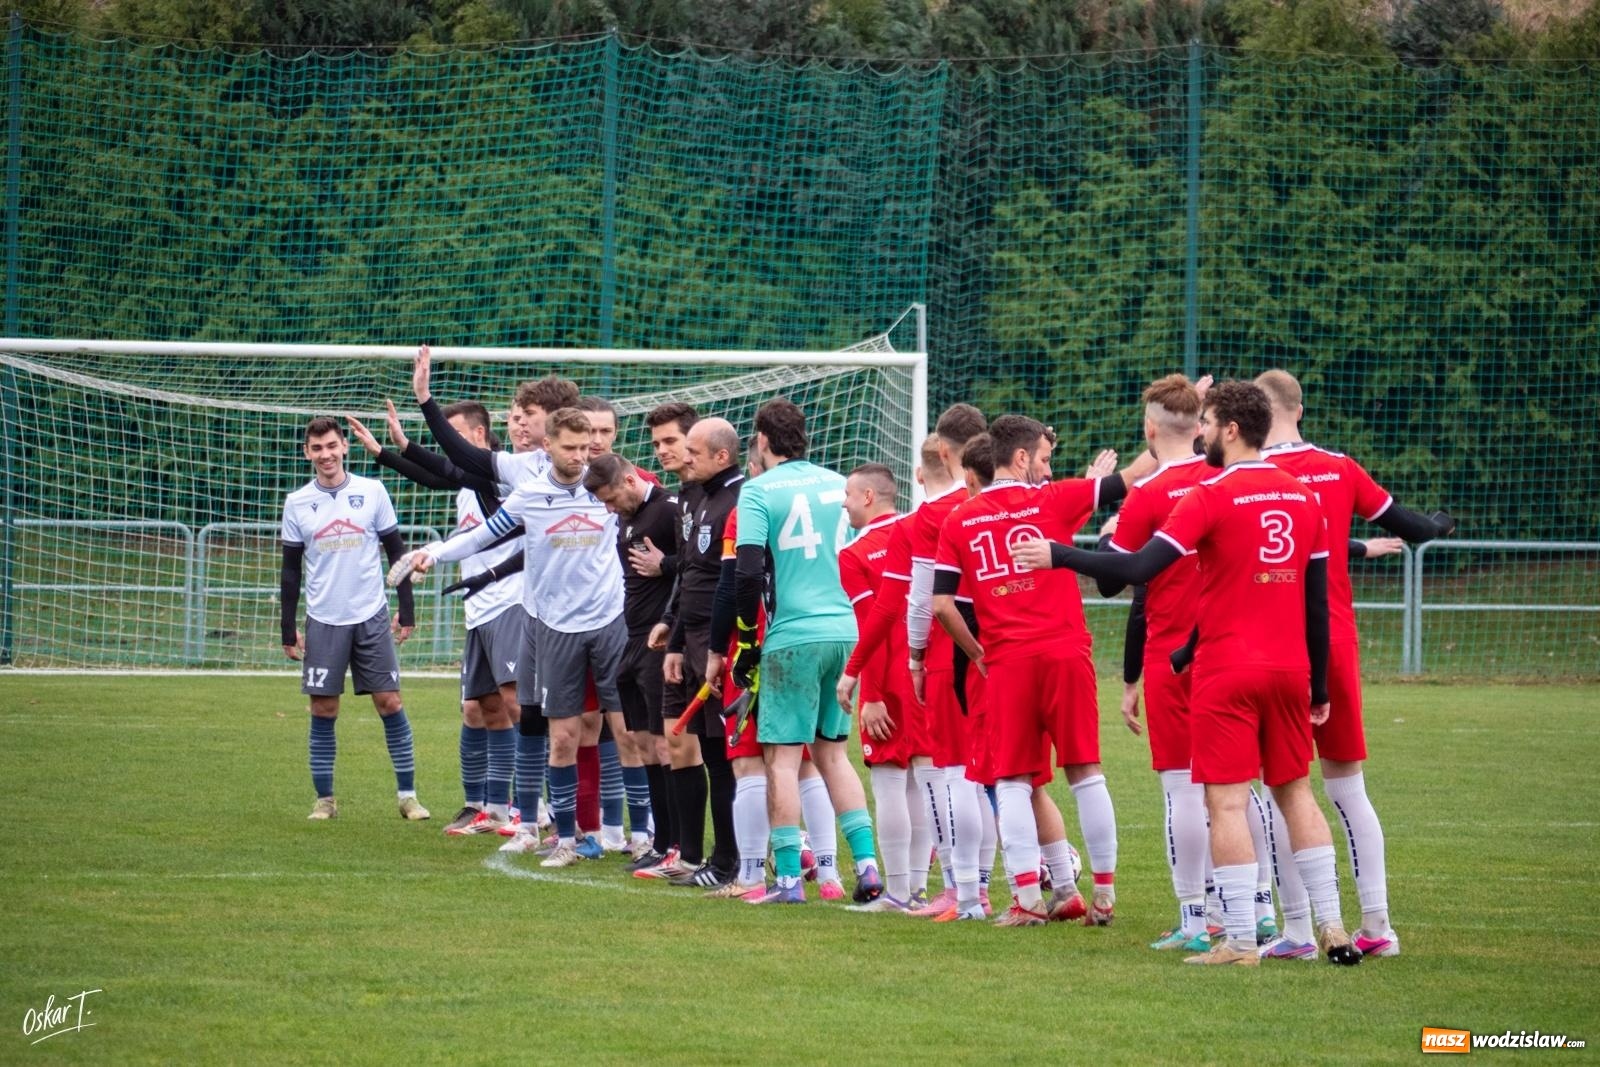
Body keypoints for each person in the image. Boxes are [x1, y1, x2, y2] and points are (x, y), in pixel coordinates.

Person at [1019, 380, 1362, 965]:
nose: (1200, 433)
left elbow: (1137, 568)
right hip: (1290, 669)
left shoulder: (1209, 496)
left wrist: (1061, 554)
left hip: (1226, 671)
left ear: (1231, 429)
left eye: (1207, 423)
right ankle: (1331, 926)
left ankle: (1239, 940)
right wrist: (1321, 686)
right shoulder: (1304, 497)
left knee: (1224, 803)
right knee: (1296, 793)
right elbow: (1314, 601)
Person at [1256, 368, 1454, 959]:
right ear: (1300, 409)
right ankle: (1378, 926)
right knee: (1348, 789)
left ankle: (1297, 931)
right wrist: (1440, 523)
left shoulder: (1248, 476)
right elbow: (1411, 527)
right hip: (1335, 640)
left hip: (1273, 645)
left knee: (1283, 788)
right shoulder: (1339, 467)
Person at [405, 408, 627, 868]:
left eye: (585, 447)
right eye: (570, 448)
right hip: (550, 626)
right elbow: (482, 536)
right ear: (548, 446)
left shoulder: (609, 490)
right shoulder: (530, 495)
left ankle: (639, 836)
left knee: (629, 732)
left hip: (609, 623)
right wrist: (434, 552)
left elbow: (656, 515)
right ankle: (558, 834)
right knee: (557, 734)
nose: (580, 456)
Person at [930, 416, 1124, 926]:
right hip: (1067, 653)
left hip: (1007, 661)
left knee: (1012, 780)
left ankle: (1028, 901)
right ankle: (1103, 896)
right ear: (1021, 457)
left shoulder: (960, 519)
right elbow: (1136, 475)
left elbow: (942, 605)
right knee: (1086, 772)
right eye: (1043, 456)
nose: (1047, 467)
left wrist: (975, 652)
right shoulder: (1052, 500)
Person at [1092, 375, 1226, 950]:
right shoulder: (1225, 477)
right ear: (1201, 426)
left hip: (1172, 654)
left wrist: (1106, 531)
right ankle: (1253, 909)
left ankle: (1195, 919)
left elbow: (1111, 581)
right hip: (1229, 645)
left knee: (1182, 789)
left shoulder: (1148, 495)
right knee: (1238, 786)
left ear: (1148, 429)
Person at [348, 401, 522, 836]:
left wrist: (405, 445)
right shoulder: (467, 482)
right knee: (477, 708)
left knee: (514, 707)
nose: (448, 446)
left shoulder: (501, 477)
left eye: (455, 435)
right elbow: (435, 476)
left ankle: (526, 806)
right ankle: (481, 806)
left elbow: (447, 473)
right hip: (478, 607)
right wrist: (387, 451)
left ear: (479, 436)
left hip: (510, 600)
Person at [839, 408, 988, 918]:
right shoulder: (981, 508)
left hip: (911, 670)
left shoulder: (884, 541)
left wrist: (868, 687)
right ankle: (987, 884)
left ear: (923, 471)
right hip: (982, 656)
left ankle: (912, 890)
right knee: (969, 779)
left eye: (847, 495)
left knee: (907, 784)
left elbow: (886, 616)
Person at [734, 398, 881, 905]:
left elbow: (747, 571)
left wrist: (746, 642)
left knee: (781, 758)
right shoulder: (839, 483)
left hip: (793, 635)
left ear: (762, 441)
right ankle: (867, 865)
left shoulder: (757, 490)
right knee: (832, 755)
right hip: (846, 630)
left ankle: (789, 883)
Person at [280, 416, 425, 822]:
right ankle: (325, 800)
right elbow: (290, 571)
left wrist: (407, 607)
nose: (325, 454)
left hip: (371, 616)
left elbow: (397, 553)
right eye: (317, 448)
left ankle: (408, 797)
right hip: (324, 620)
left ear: (344, 446)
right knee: (323, 709)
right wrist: (287, 628)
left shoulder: (372, 491)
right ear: (307, 453)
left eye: (332, 445)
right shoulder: (297, 503)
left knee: (390, 702)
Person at [653, 416, 746, 889]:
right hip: (692, 643)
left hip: (721, 646)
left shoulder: (741, 500)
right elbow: (689, 573)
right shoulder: (698, 496)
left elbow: (736, 582)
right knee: (711, 752)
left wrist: (723, 646)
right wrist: (674, 639)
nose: (684, 458)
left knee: (731, 758)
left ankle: (734, 861)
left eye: (692, 450)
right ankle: (721, 857)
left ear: (721, 456)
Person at [837, 462, 930, 912]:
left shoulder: (855, 554)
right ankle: (921, 889)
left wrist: (871, 694)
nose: (844, 504)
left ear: (869, 497)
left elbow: (871, 624)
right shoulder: (919, 531)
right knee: (924, 782)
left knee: (891, 782)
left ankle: (896, 892)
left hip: (888, 676)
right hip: (928, 671)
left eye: (849, 495)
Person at [583, 452, 678, 862]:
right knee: (642, 743)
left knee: (665, 745)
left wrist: (666, 564)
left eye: (610, 499)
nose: (608, 509)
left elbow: (702, 564)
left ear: (628, 480)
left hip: (660, 640)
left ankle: (677, 844)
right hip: (633, 639)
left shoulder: (669, 509)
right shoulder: (627, 517)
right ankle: (661, 842)